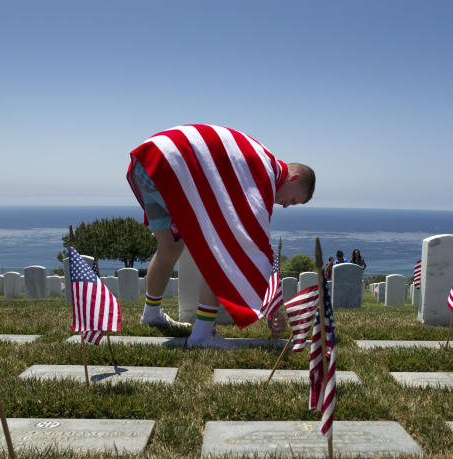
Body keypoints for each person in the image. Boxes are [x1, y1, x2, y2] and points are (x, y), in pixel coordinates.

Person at [126, 124, 315, 349]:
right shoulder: (263, 178)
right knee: (223, 250)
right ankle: (202, 334)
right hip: (170, 166)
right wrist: (272, 307)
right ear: (293, 179)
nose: (286, 206)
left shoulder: (262, 160)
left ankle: (151, 314)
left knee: (169, 246)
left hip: (150, 162)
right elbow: (251, 246)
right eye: (293, 201)